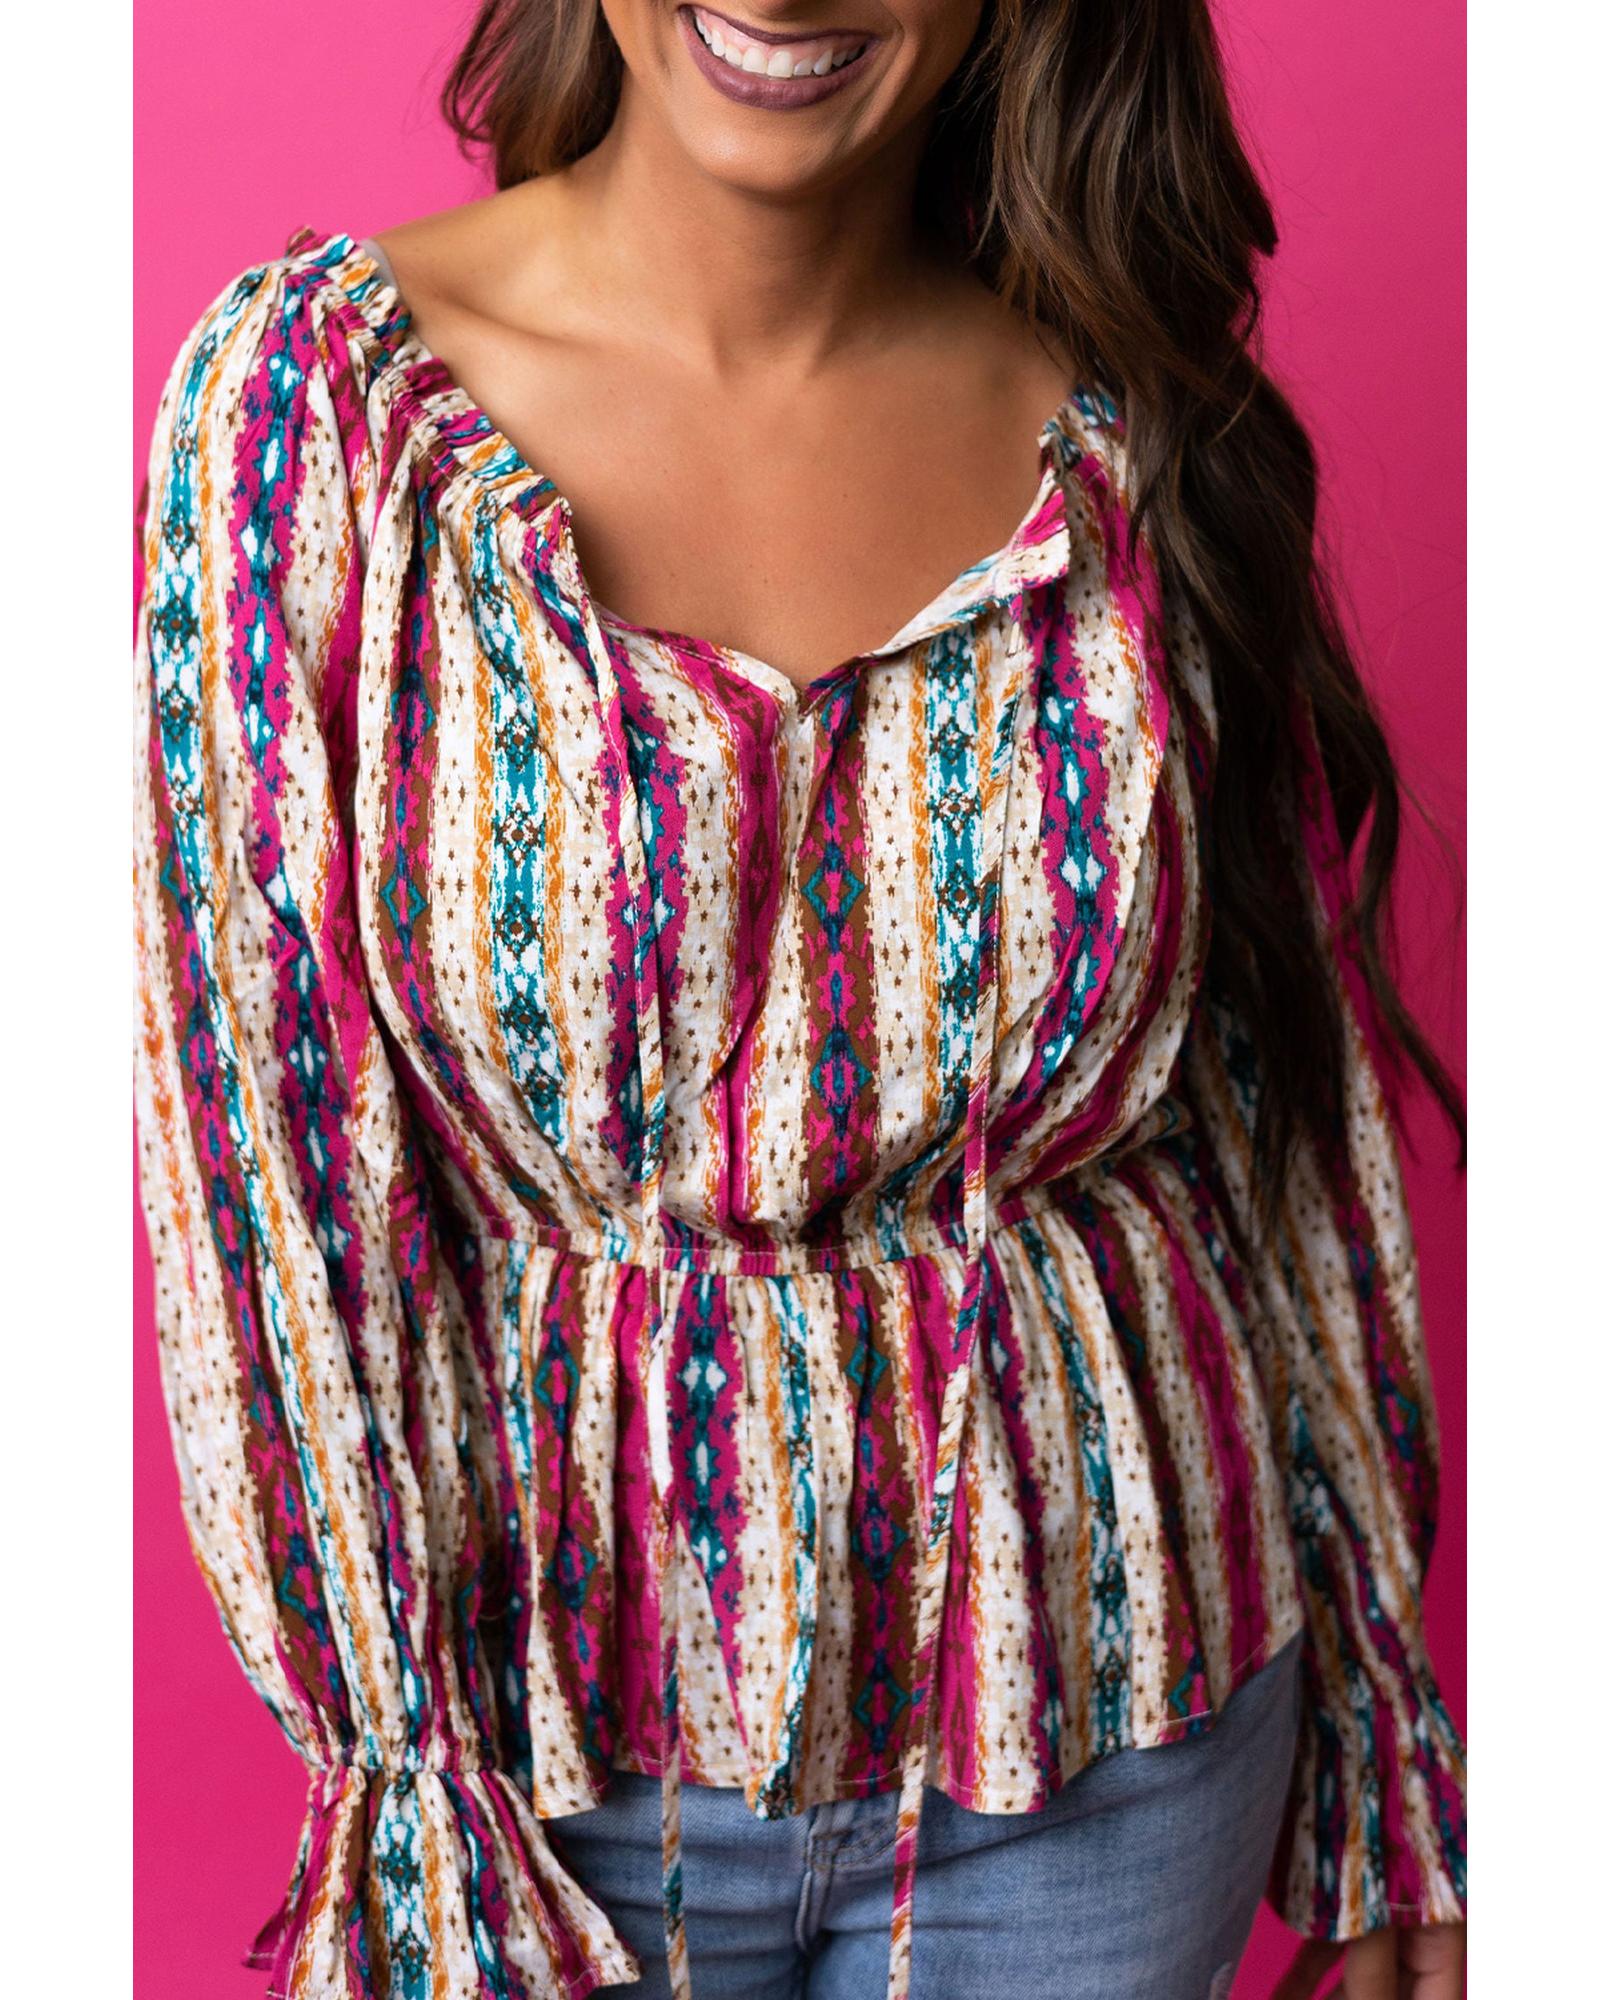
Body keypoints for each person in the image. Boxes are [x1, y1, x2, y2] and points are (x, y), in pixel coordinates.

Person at [130, 3, 1466, 1997]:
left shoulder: (1138, 427)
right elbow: (262, 1154)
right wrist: (403, 1777)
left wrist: (1384, 1749)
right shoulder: (316, 410)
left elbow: (1274, 1116)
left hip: (1120, 1737)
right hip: (541, 1770)